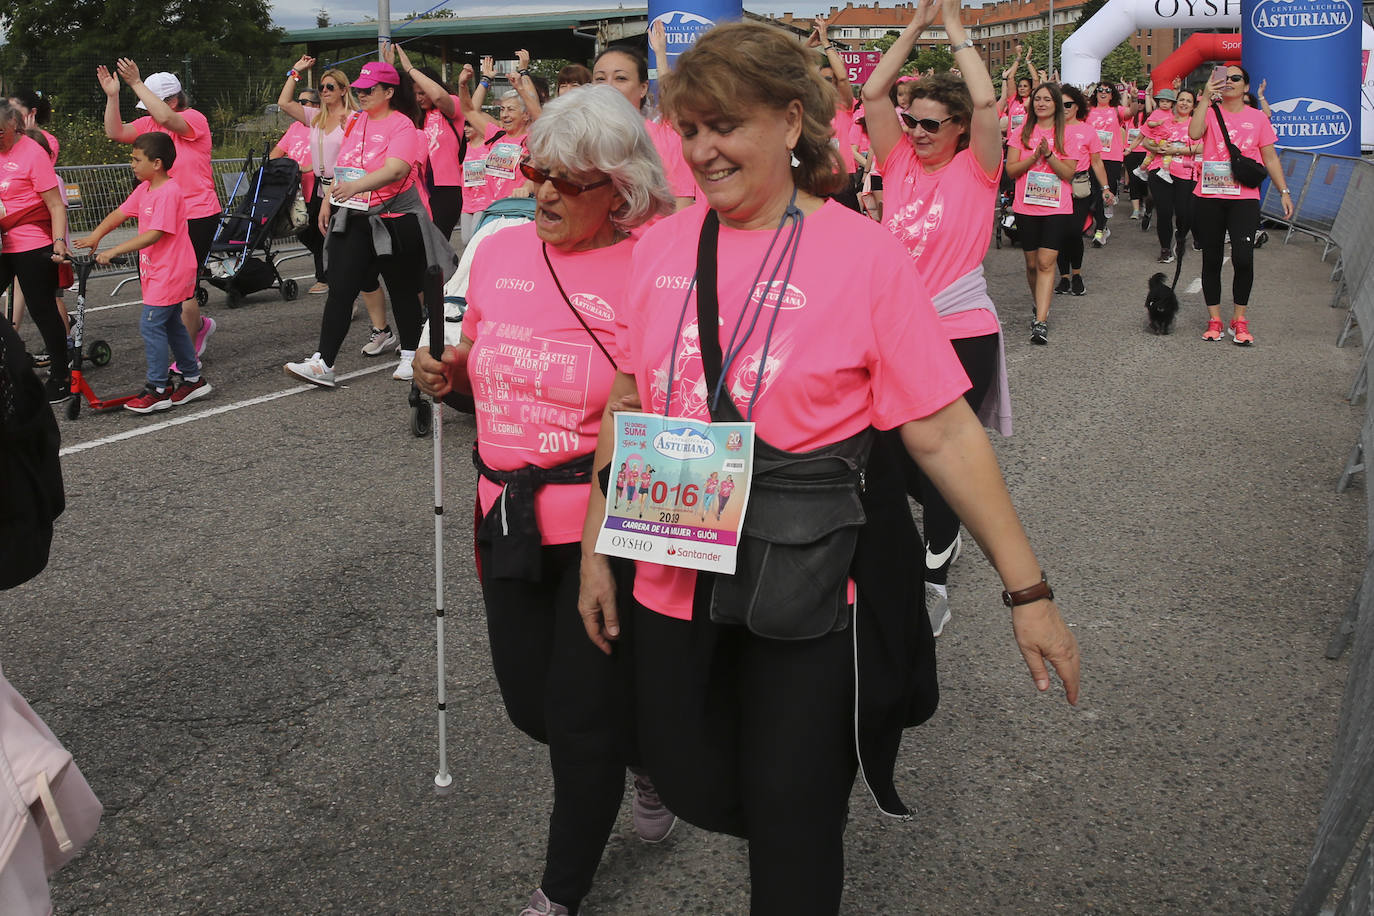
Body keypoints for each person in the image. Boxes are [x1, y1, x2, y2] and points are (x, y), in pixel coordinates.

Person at [575, 20, 1079, 915]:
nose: (703, 150)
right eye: (689, 129)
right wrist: (593, 553)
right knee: (696, 782)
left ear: (789, 120)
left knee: (794, 815)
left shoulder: (862, 252)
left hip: (806, 585)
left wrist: (1027, 592)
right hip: (670, 574)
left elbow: (945, 433)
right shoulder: (658, 250)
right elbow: (627, 402)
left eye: (724, 125)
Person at [413, 86, 676, 916]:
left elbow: (659, 413)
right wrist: (448, 378)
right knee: (533, 707)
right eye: (537, 172)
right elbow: (478, 373)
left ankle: (559, 892)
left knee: (580, 721)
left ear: (623, 187)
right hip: (506, 516)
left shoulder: (649, 266)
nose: (547, 193)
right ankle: (647, 755)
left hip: (603, 527)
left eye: (571, 179)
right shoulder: (498, 251)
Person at [862, 0, 1014, 637]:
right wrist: (915, 26)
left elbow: (986, 106)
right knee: (889, 460)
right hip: (896, 327)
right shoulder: (896, 163)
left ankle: (934, 583)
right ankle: (960, 516)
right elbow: (870, 89)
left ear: (957, 129)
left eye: (930, 123)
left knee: (937, 456)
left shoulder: (976, 172)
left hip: (960, 329)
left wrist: (955, 31)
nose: (917, 132)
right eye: (911, 121)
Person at [284, 60, 452, 387]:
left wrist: (352, 189)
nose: (362, 95)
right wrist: (331, 198)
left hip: (397, 220)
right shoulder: (356, 122)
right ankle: (323, 363)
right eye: (359, 89)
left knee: (402, 289)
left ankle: (408, 354)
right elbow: (343, 164)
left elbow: (397, 170)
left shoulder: (403, 125)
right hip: (357, 216)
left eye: (369, 90)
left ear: (389, 92)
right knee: (341, 286)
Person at [73, 133, 210, 412]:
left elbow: (154, 235)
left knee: (151, 324)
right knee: (171, 323)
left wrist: (114, 251)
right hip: (158, 270)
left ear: (157, 163)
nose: (132, 164)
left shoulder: (169, 192)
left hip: (171, 270)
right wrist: (96, 236)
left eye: (137, 159)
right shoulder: (144, 189)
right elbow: (119, 214)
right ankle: (192, 379)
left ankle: (158, 388)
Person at [99, 60, 219, 361]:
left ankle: (187, 358)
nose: (148, 110)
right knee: (162, 285)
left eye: (153, 101)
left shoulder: (194, 118)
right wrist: (113, 96)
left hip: (196, 212)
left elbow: (168, 118)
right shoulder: (151, 123)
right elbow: (116, 132)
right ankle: (198, 328)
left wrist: (136, 83)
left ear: (174, 100)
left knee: (185, 289)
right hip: (163, 213)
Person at [1188, 64, 1292, 346]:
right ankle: (1215, 319)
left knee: (1243, 258)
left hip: (1244, 198)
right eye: (1225, 77)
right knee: (1211, 258)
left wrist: (1283, 190)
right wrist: (1205, 97)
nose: (1230, 81)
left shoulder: (1258, 118)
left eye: (1236, 78)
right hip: (1210, 195)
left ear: (1246, 87)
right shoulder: (1209, 112)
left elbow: (1270, 157)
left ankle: (1239, 319)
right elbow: (1195, 134)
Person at [0, 100, 70, 403]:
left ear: (15, 125)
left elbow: (55, 204)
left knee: (42, 310)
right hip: (1, 243)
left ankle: (60, 374)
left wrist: (58, 241)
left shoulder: (31, 153)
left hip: (30, 242)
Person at [278, 57, 360, 296]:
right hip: (319, 188)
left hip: (344, 187)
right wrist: (295, 72)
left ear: (344, 90)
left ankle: (344, 289)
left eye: (330, 87)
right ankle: (334, 278)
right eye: (322, 87)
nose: (324, 91)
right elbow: (284, 103)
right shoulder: (316, 117)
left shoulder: (353, 117)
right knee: (307, 229)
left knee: (339, 241)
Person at [1005, 81, 1076, 344]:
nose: (1041, 103)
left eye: (1047, 99)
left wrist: (1050, 155)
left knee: (1047, 262)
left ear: (1056, 104)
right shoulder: (1022, 132)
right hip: (1027, 206)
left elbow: (1069, 173)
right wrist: (1034, 158)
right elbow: (1011, 170)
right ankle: (1039, 304)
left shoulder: (1066, 133)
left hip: (1056, 207)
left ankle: (1041, 321)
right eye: (1037, 99)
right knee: (1032, 264)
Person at [391, 41, 465, 241]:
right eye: (414, 94)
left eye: (422, 92)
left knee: (437, 244)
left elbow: (440, 97)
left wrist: (410, 69)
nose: (419, 97)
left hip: (445, 189)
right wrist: (393, 72)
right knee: (418, 246)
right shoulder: (411, 118)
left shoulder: (452, 108)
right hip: (416, 190)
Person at [1053, 85, 1113, 296]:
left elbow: (1096, 162)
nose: (1064, 108)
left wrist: (1106, 188)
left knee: (1073, 232)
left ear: (1077, 106)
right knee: (1059, 234)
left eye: (1068, 104)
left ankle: (1076, 274)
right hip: (1054, 185)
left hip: (1079, 186)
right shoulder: (1049, 127)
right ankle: (1064, 278)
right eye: (1060, 104)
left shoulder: (1087, 130)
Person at [461, 58, 536, 207]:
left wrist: (523, 77)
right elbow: (470, 110)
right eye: (502, 109)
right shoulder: (496, 135)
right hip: (491, 210)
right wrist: (466, 84)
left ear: (525, 115)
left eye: (511, 109)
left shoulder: (532, 139)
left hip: (517, 209)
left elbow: (535, 106)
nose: (504, 114)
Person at [1143, 87, 1201, 264]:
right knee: (1164, 211)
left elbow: (1202, 147)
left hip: (1186, 172)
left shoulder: (1196, 124)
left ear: (1193, 106)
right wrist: (1156, 148)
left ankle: (1181, 235)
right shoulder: (1165, 120)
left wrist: (1178, 150)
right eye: (1181, 100)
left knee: (1185, 213)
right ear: (1176, 103)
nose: (1184, 103)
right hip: (1160, 170)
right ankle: (1165, 249)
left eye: (1188, 101)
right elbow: (1146, 140)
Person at [1084, 81, 1136, 243]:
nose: (1103, 92)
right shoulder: (1088, 111)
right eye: (1100, 90)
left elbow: (1131, 112)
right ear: (1096, 93)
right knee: (1091, 192)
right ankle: (1097, 224)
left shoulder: (1116, 110)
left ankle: (1101, 228)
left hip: (1111, 158)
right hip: (1092, 157)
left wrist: (1134, 98)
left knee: (1106, 193)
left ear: (1112, 95)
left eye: (1107, 90)